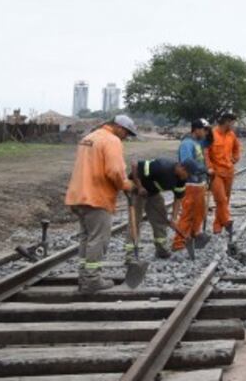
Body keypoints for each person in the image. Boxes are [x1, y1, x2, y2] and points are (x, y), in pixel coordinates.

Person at [64, 114, 137, 293]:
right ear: (119, 127)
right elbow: (115, 171)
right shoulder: (112, 140)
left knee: (86, 238)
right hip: (96, 197)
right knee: (98, 239)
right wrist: (128, 185)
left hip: (78, 195)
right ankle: (92, 280)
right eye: (126, 133)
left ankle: (84, 276)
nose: (126, 137)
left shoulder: (89, 137)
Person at [127, 157, 193, 259]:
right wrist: (140, 187)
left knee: (160, 219)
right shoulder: (162, 167)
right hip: (137, 189)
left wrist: (174, 219)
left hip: (153, 192)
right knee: (135, 220)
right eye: (188, 174)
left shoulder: (181, 179)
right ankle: (131, 254)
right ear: (182, 168)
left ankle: (161, 250)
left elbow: (178, 198)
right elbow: (135, 164)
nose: (188, 178)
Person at [172, 118, 211, 252]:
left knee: (199, 212)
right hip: (190, 184)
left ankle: (194, 235)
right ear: (197, 129)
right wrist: (205, 170)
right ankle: (179, 243)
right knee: (188, 213)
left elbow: (209, 142)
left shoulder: (197, 143)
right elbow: (187, 162)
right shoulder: (187, 143)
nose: (206, 133)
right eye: (204, 130)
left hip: (199, 184)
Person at [207, 112, 241, 236]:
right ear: (227, 121)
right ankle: (227, 222)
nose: (234, 125)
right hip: (216, 173)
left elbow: (237, 148)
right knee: (220, 199)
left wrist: (235, 158)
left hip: (229, 173)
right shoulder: (211, 134)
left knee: (225, 201)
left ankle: (217, 226)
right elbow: (206, 152)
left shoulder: (232, 135)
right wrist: (209, 167)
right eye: (233, 122)